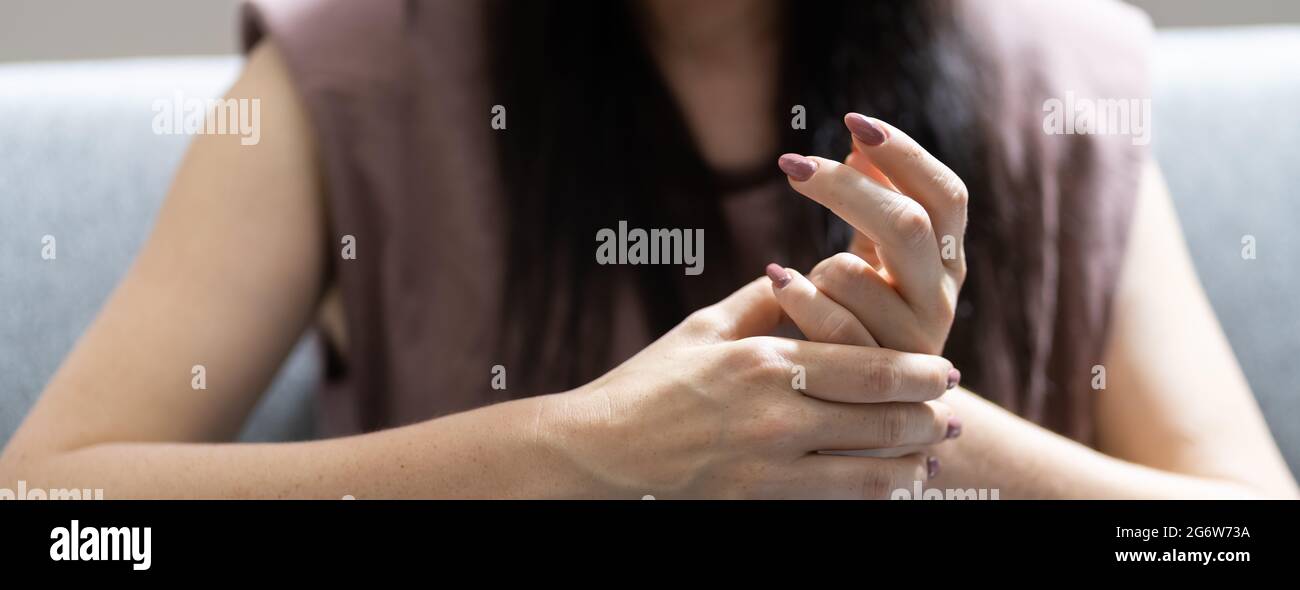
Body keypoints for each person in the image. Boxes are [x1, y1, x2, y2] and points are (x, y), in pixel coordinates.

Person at [1, 0, 1295, 499]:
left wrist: (900, 434)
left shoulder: (1048, 82)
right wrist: (580, 449)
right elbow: (52, 505)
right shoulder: (353, 79)